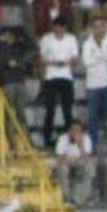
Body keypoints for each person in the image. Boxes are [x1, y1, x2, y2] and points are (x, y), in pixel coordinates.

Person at [38, 16, 79, 148]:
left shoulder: (71, 39)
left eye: (61, 28)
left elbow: (75, 59)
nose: (59, 30)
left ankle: (70, 139)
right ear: (53, 27)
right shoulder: (46, 39)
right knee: (50, 110)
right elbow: (41, 59)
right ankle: (47, 139)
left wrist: (67, 63)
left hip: (66, 77)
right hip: (51, 77)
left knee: (68, 111)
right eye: (56, 27)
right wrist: (54, 62)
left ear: (65, 28)